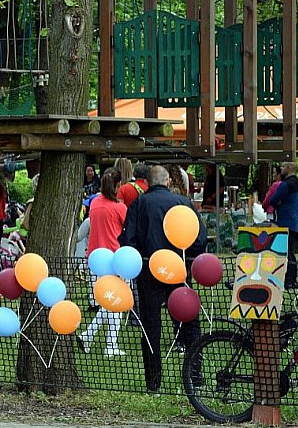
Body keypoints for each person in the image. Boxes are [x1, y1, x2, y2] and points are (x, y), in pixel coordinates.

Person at [119, 165, 207, 393]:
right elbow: (200, 237)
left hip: (149, 269)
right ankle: (195, 377)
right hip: (179, 269)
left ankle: (153, 381)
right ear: (168, 181)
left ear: (146, 183)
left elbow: (128, 239)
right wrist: (189, 259)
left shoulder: (139, 204)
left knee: (151, 327)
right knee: (190, 322)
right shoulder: (183, 203)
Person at [79, 168, 127, 357]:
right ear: (117, 186)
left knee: (110, 302)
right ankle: (107, 344)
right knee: (116, 302)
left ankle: (94, 338)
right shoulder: (120, 207)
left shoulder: (95, 203)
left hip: (95, 257)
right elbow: (127, 229)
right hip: (114, 258)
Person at [269, 162, 298, 289]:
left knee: (285, 252)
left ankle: (287, 279)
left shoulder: (286, 185)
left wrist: (278, 205)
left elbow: (272, 199)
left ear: (289, 169)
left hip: (284, 221)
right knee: (291, 251)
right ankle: (292, 278)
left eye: (283, 167)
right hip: (293, 221)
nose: (281, 169)